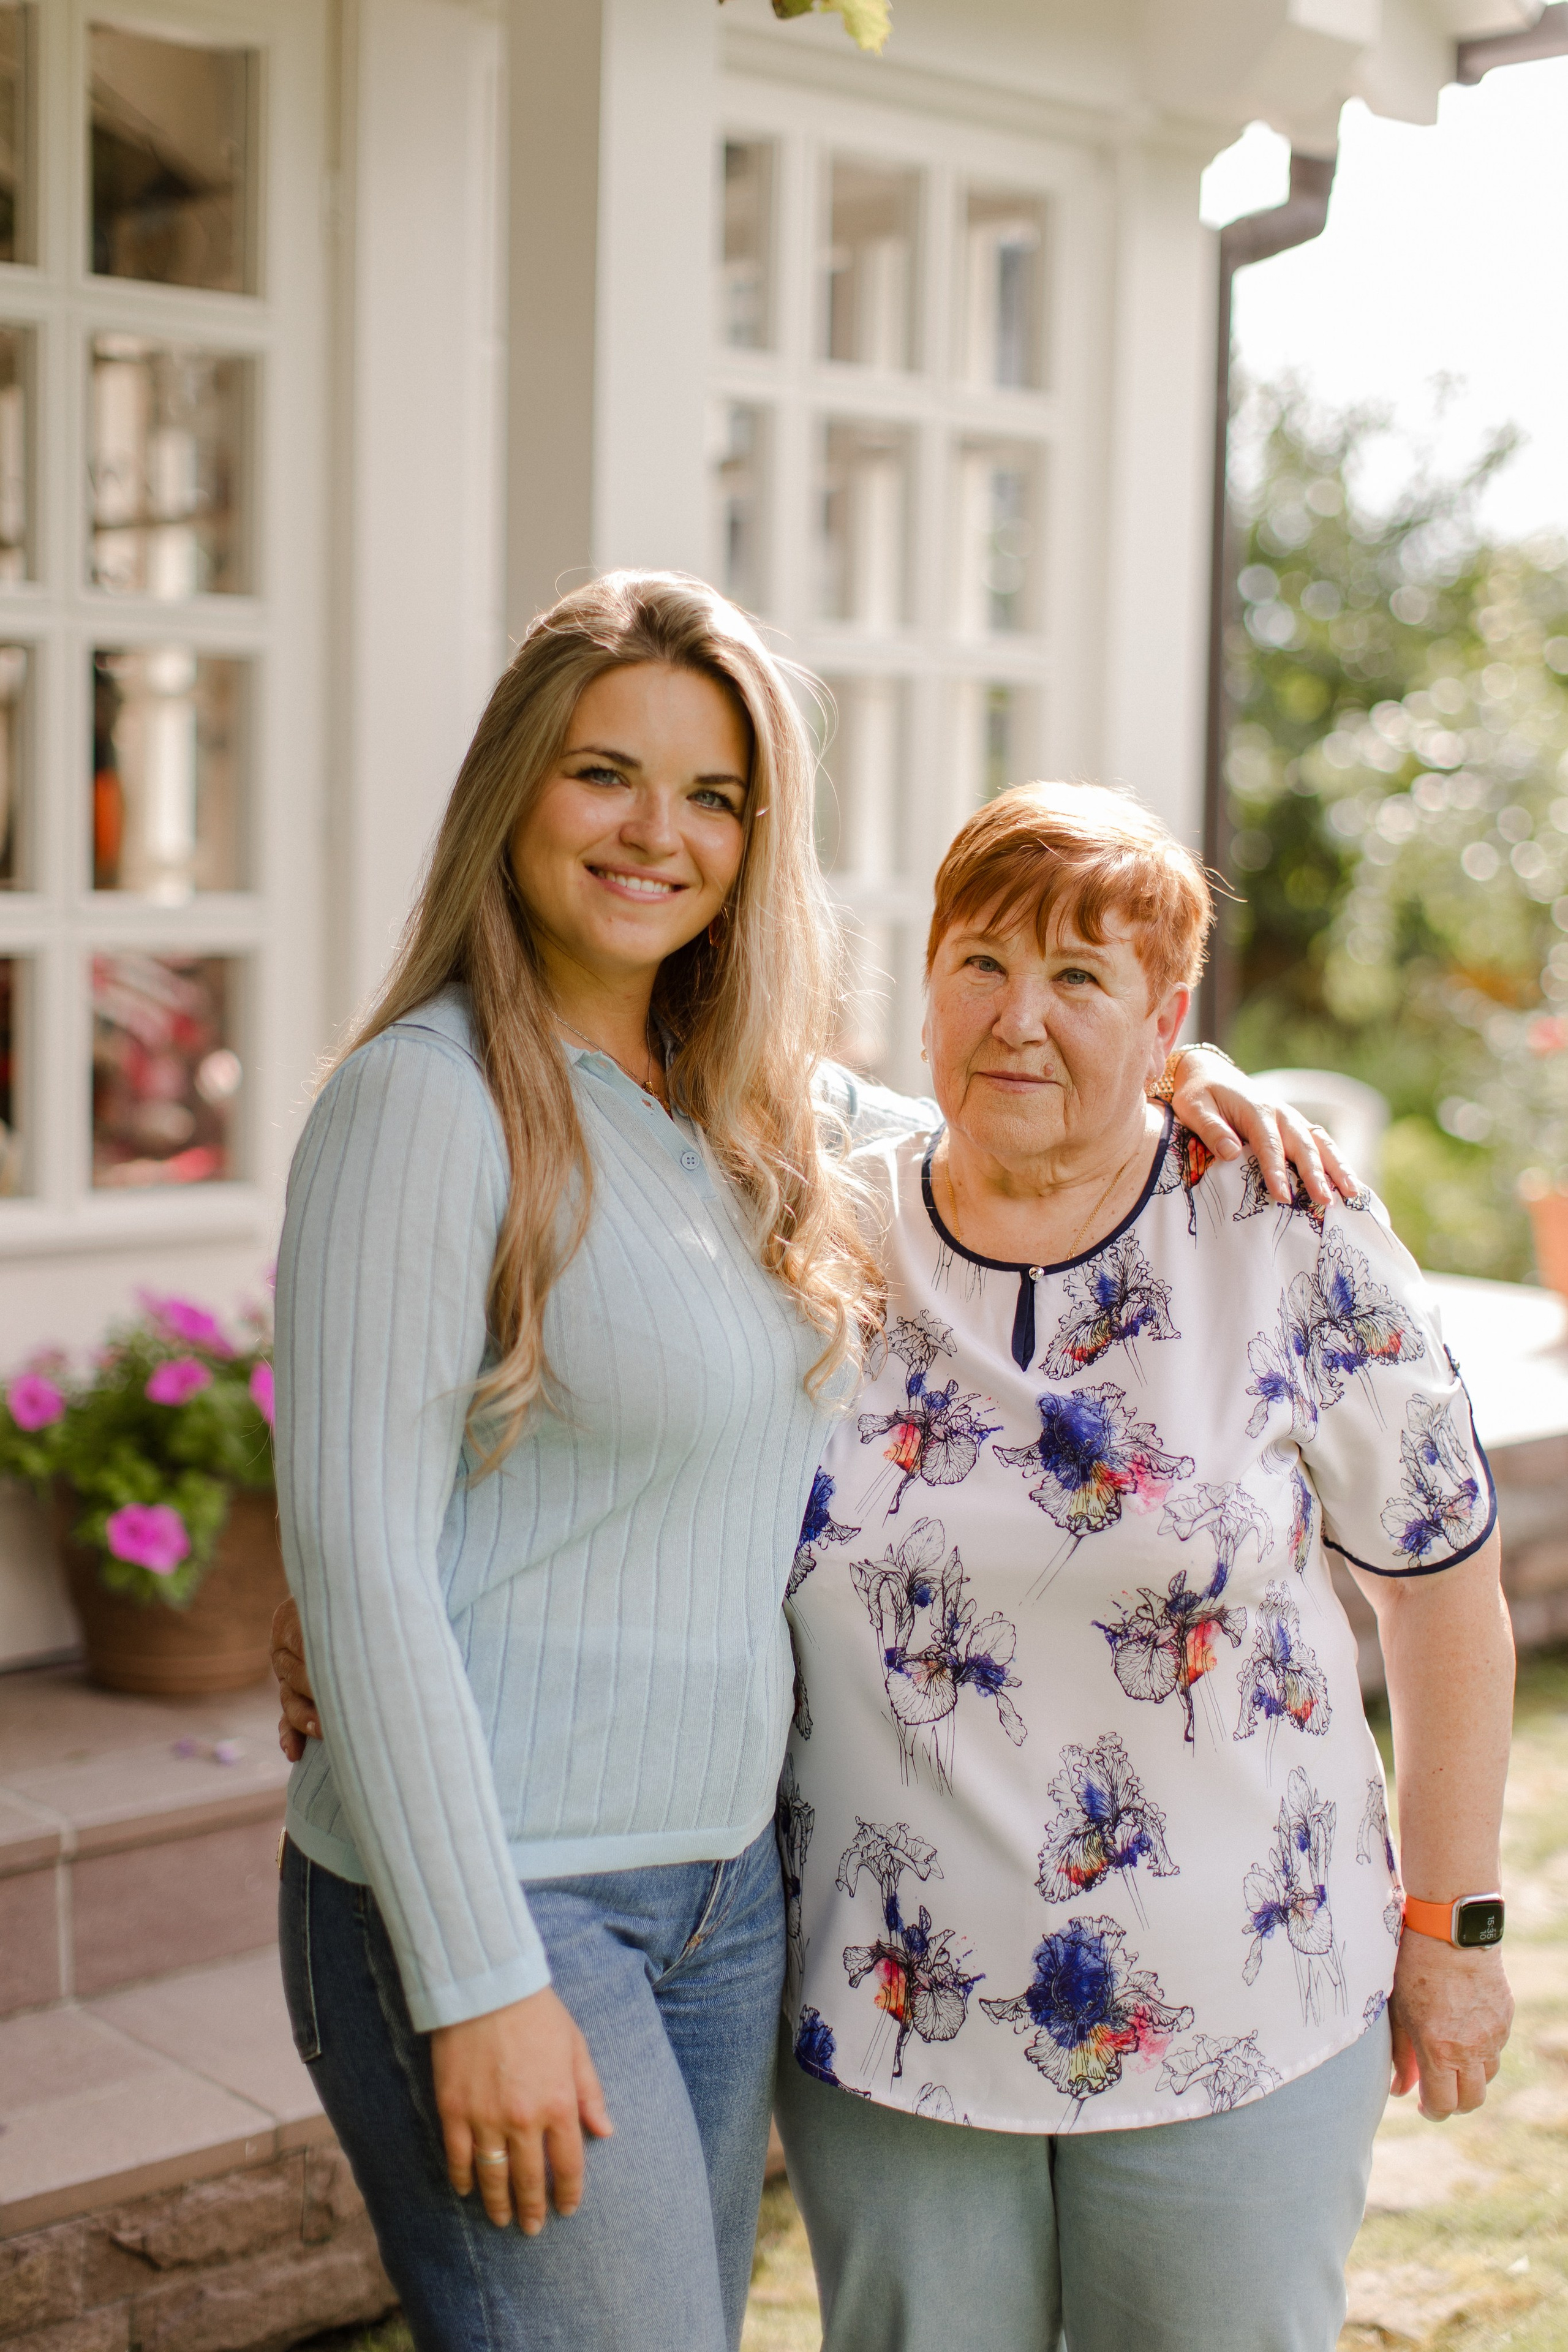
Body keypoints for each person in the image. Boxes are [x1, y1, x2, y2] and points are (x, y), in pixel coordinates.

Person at [268, 571, 1355, 2352]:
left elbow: (991, 1112)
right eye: (604, 774)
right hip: (503, 1896)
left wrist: (1180, 1070)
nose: (658, 834)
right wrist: (477, 1981)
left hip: (720, 1904)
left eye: (715, 796)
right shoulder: (425, 1102)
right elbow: (364, 1570)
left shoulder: (742, 1102)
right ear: (512, 793)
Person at [772, 781, 1515, 2352]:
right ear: (921, 989)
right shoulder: (815, 1231)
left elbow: (1442, 1593)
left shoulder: (1284, 1222)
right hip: (897, 2007)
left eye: (1080, 978)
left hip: (1241, 2004)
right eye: (978, 963)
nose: (1016, 1019)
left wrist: (1452, 1927)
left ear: (1167, 1018)